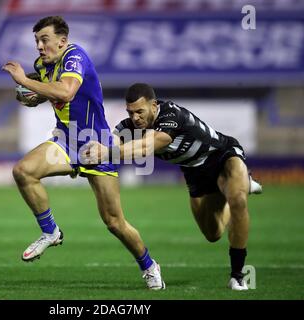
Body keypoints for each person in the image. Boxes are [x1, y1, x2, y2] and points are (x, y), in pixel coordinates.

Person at [2, 17, 165, 290]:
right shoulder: (42, 66)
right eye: (37, 41)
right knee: (23, 171)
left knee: (114, 222)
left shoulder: (75, 56)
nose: (40, 46)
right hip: (65, 140)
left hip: (96, 145)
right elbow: (52, 94)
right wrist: (35, 96)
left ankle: (149, 266)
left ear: (62, 41)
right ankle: (50, 231)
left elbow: (66, 91)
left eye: (44, 39)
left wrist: (23, 82)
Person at [82, 83, 263, 291]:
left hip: (221, 156)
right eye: (130, 113)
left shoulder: (170, 115)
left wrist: (107, 153)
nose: (135, 118)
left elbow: (147, 146)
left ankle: (238, 276)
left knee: (238, 200)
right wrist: (95, 150)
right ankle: (238, 186)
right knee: (212, 234)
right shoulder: (129, 126)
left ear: (153, 106)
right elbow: (111, 141)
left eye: (140, 111)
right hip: (194, 172)